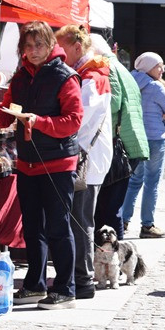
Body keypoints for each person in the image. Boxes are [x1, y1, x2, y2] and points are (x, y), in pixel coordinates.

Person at [0, 21, 83, 310]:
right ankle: (34, 284)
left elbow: (73, 121)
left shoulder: (65, 76)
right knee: (32, 227)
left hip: (58, 162)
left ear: (50, 46)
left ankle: (65, 289)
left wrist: (40, 122)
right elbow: (8, 109)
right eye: (28, 46)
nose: (33, 51)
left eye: (39, 45)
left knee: (59, 226)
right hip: (27, 162)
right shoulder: (20, 76)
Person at [56, 24, 112, 299]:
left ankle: (83, 278)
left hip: (86, 160)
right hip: (87, 157)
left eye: (62, 48)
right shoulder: (88, 74)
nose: (58, 53)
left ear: (77, 47)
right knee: (79, 218)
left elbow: (80, 117)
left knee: (80, 220)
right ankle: (79, 275)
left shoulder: (93, 76)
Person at [89, 33, 150, 240]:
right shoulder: (119, 67)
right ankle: (115, 257)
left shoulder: (108, 68)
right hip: (129, 143)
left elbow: (112, 103)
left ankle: (115, 256)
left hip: (120, 145)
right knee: (112, 206)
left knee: (108, 208)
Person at [122, 51, 165, 239]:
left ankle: (122, 221)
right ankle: (147, 225)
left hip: (135, 137)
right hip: (155, 138)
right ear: (148, 67)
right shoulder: (155, 87)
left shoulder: (129, 83)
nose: (162, 69)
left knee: (134, 181)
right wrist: (162, 112)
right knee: (151, 182)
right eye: (158, 65)